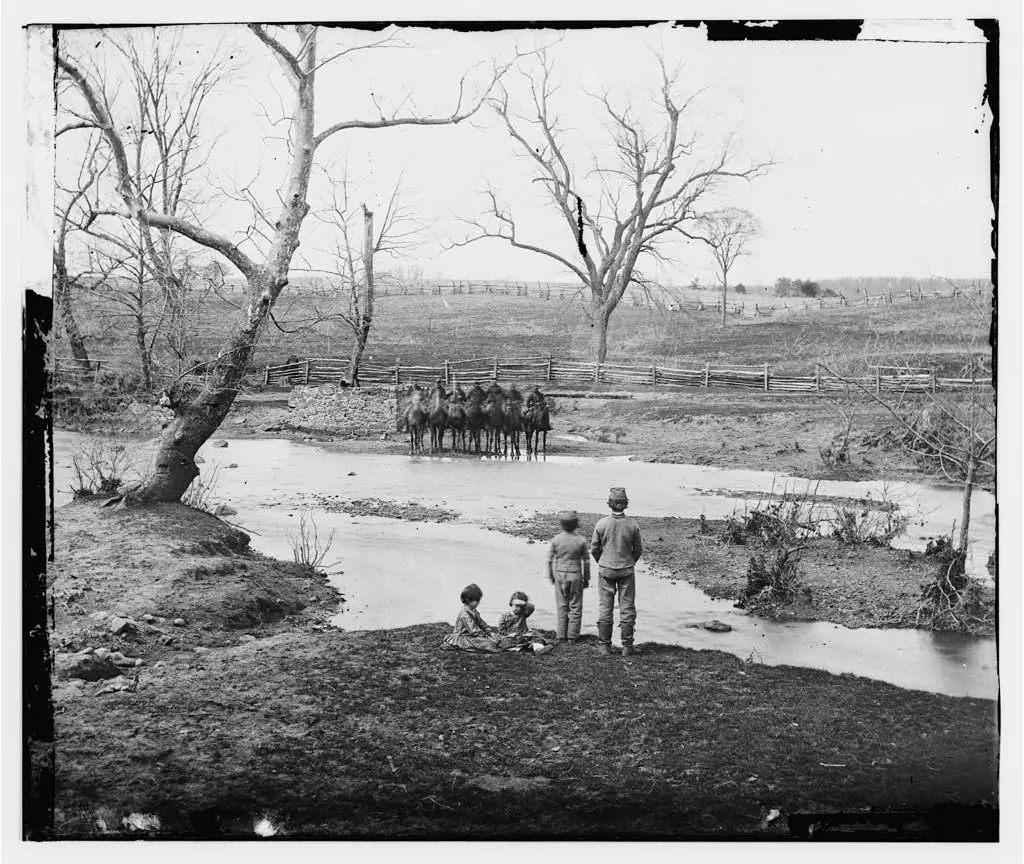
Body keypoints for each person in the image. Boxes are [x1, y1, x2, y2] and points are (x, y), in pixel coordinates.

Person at [591, 487, 643, 657]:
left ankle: (604, 646)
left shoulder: (601, 523)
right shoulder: (632, 524)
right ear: (626, 504)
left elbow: (594, 549)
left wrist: (603, 563)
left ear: (609, 504)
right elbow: (637, 550)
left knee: (605, 607)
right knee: (627, 607)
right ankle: (627, 646)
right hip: (626, 569)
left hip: (606, 568)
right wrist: (629, 563)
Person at [547, 510, 590, 644]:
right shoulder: (581, 540)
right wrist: (586, 578)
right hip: (575, 573)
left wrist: (551, 576)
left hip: (560, 573)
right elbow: (586, 561)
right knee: (575, 606)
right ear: (576, 525)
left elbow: (549, 560)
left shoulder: (556, 539)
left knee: (562, 605)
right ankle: (572, 637)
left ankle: (561, 636)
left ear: (561, 525)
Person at [441, 584, 501, 653]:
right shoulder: (464, 612)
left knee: (496, 638)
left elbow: (482, 623)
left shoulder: (473, 610)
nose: (479, 602)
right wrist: (486, 636)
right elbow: (473, 630)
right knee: (488, 643)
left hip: (472, 635)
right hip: (463, 637)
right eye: (477, 600)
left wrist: (490, 632)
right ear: (469, 600)